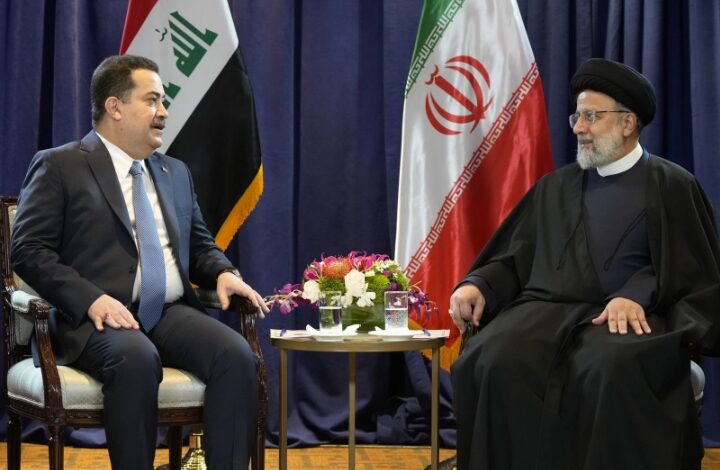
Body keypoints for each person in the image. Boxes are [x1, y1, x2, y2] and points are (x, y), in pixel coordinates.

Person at [448, 58, 720, 470]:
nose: (578, 127)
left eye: (592, 116)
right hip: (545, 315)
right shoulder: (554, 188)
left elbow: (694, 276)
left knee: (610, 369)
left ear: (628, 123)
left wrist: (637, 295)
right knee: (491, 358)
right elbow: (515, 258)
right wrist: (479, 284)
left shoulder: (673, 185)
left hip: (631, 321)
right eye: (578, 116)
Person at [10, 55, 269, 470]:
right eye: (152, 100)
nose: (163, 111)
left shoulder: (174, 172)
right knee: (136, 358)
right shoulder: (61, 165)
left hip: (167, 313)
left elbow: (200, 246)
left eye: (163, 101)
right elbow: (28, 249)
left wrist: (222, 272)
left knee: (237, 356)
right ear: (114, 107)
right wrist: (91, 299)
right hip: (93, 320)